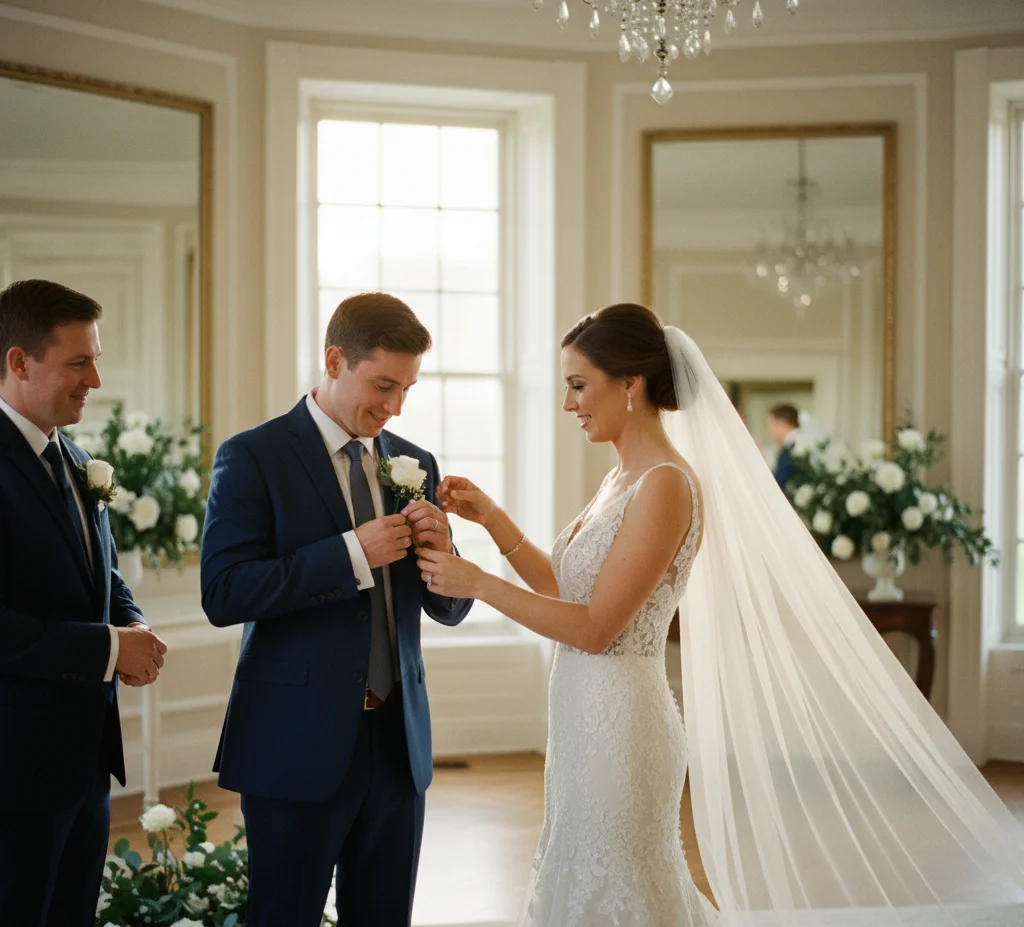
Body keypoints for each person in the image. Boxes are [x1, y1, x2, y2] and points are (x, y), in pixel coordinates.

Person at [416, 302, 1024, 927]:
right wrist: (492, 518)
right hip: (579, 717)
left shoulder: (666, 485)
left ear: (631, 384)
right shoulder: (620, 478)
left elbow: (597, 629)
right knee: (579, 874)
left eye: (578, 385)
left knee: (621, 884)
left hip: (622, 725)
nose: (569, 404)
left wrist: (479, 583)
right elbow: (565, 590)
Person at [201, 292, 474, 927]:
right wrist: (351, 553)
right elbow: (225, 593)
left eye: (406, 389)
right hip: (295, 740)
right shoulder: (253, 457)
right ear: (333, 359)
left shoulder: (414, 462)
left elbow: (449, 608)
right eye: (383, 384)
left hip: (398, 742)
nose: (394, 406)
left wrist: (443, 554)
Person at [0, 279, 167, 927]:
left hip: (84, 761)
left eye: (94, 358)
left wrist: (133, 623)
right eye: (78, 361)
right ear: (18, 362)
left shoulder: (74, 455)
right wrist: (105, 648)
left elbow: (101, 570)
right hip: (14, 770)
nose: (95, 378)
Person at [767, 402, 800, 489]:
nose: (770, 430)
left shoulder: (791, 449)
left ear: (782, 423)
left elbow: (779, 483)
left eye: (771, 424)